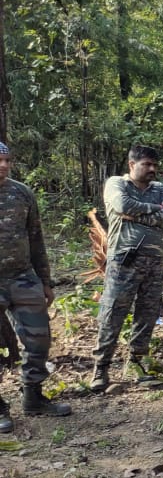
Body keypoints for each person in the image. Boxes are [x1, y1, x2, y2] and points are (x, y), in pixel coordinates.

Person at [91, 145, 163, 391]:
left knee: (148, 313)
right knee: (112, 313)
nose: (152, 169)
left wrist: (138, 214)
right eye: (147, 165)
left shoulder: (159, 188)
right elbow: (121, 205)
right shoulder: (116, 184)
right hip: (124, 260)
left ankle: (139, 365)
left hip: (154, 262)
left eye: (155, 165)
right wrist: (154, 210)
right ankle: (101, 369)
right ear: (132, 164)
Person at [0, 141, 71, 432]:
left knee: (39, 339)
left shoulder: (21, 193)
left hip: (23, 277)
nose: (4, 166)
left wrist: (45, 281)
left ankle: (33, 397)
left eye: (7, 161)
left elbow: (36, 238)